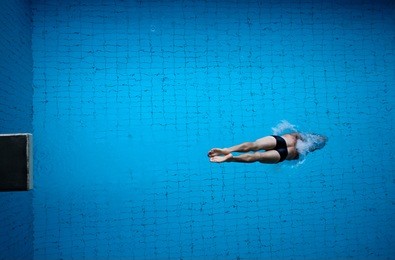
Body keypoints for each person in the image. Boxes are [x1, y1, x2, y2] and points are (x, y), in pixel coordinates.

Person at [208, 133, 326, 164]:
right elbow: (296, 159)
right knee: (258, 156)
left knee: (254, 145)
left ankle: (228, 150)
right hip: (286, 154)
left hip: (283, 139)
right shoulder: (302, 153)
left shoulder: (296, 135)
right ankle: (231, 158)